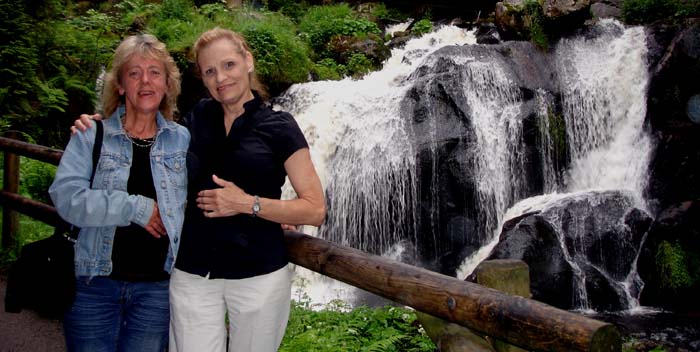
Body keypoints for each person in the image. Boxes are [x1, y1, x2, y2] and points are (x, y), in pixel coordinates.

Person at [72, 27, 326, 352]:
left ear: (247, 60)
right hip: (192, 272)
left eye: (229, 65)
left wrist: (251, 204)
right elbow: (144, 132)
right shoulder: (197, 118)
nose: (221, 77)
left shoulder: (280, 127)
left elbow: (315, 208)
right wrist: (99, 126)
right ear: (203, 79)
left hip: (258, 275)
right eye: (210, 71)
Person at [50, 34, 190, 352]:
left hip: (156, 290)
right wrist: (136, 208)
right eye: (134, 72)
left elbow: (212, 186)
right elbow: (66, 196)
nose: (145, 81)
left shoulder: (182, 140)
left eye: (155, 72)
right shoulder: (91, 135)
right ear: (121, 85)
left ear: (168, 84)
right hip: (94, 284)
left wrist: (268, 214)